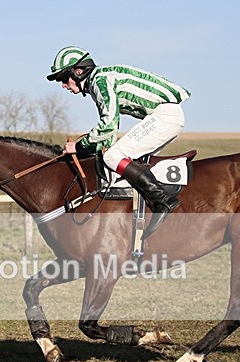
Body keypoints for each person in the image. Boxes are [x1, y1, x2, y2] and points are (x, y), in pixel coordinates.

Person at [47, 46, 190, 238]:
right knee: (119, 156)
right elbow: (108, 135)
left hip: (165, 116)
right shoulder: (100, 78)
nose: (63, 85)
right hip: (166, 115)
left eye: (64, 79)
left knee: (113, 156)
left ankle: (162, 199)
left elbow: (107, 127)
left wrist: (78, 147)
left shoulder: (100, 81)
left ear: (78, 71)